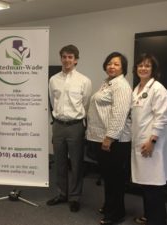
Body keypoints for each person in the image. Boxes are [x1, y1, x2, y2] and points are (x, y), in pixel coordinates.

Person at [86, 52, 132, 225]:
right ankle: (109, 206)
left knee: (115, 179)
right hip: (101, 137)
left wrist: (109, 138)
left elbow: (119, 114)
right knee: (108, 177)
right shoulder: (107, 83)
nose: (112, 66)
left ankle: (116, 214)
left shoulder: (121, 86)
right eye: (110, 63)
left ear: (123, 68)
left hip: (114, 141)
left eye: (117, 64)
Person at [47, 44, 92, 212]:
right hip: (58, 125)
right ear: (61, 58)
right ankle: (61, 193)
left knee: (76, 163)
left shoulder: (84, 81)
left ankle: (74, 197)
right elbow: (52, 102)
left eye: (70, 57)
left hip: (75, 127)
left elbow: (86, 104)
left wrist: (79, 121)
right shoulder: (53, 80)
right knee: (59, 162)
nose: (67, 60)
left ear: (76, 60)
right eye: (64, 56)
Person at [131, 54, 167, 225]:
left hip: (152, 142)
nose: (143, 68)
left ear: (153, 69)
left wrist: (152, 141)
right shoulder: (138, 88)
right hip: (140, 140)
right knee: (146, 184)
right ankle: (149, 216)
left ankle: (158, 220)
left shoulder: (158, 89)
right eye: (140, 65)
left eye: (147, 66)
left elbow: (162, 118)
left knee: (153, 185)